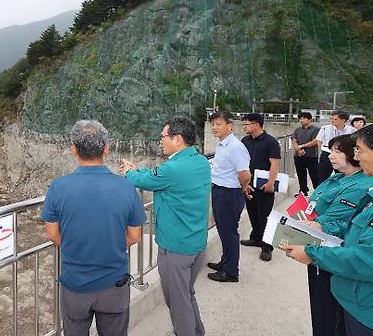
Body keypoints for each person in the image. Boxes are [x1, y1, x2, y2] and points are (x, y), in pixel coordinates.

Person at [41, 120, 146, 336]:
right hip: (114, 285)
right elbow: (135, 236)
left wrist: (74, 245)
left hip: (75, 285)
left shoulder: (58, 187)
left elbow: (51, 233)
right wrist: (110, 244)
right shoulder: (126, 187)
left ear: (73, 149)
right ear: (106, 149)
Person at [120, 117, 211, 336]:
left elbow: (146, 180)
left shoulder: (174, 168)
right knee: (186, 294)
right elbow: (156, 177)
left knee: (178, 304)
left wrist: (128, 172)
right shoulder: (199, 161)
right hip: (196, 243)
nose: (160, 140)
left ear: (177, 139)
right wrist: (138, 172)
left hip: (176, 249)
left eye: (163, 136)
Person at [282, 125, 373, 335]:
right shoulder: (337, 178)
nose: (357, 156)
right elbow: (349, 228)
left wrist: (312, 251)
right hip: (344, 281)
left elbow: (366, 257)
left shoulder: (360, 187)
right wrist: (318, 224)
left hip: (360, 302)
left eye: (359, 150)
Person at [206, 111, 252, 282]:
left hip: (229, 194)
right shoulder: (222, 143)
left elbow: (245, 175)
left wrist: (242, 188)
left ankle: (231, 272)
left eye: (219, 124)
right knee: (224, 231)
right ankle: (225, 263)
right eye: (213, 124)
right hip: (221, 190)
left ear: (230, 126)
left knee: (229, 233)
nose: (215, 127)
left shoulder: (235, 147)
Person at [240, 113, 281, 262]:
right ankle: (256, 237)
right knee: (252, 212)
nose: (244, 127)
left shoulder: (270, 142)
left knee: (264, 215)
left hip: (264, 185)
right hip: (249, 184)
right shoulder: (245, 140)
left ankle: (267, 246)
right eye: (243, 124)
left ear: (257, 124)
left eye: (247, 124)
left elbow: (275, 163)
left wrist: (271, 182)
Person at [305, 110, 354, 185]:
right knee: (322, 176)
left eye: (335, 119)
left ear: (343, 120)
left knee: (342, 175)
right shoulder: (325, 128)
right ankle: (321, 194)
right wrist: (321, 153)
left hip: (343, 155)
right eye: (331, 118)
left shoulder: (351, 130)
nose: (332, 121)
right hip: (327, 153)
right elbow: (319, 141)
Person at [292, 112, 321, 196]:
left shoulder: (316, 129)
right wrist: (298, 149)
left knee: (314, 174)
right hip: (298, 155)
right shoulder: (297, 130)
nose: (301, 120)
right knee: (300, 174)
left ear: (309, 119)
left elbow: (315, 141)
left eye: (303, 118)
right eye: (300, 118)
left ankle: (317, 191)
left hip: (311, 155)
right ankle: (303, 191)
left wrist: (301, 146)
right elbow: (294, 140)